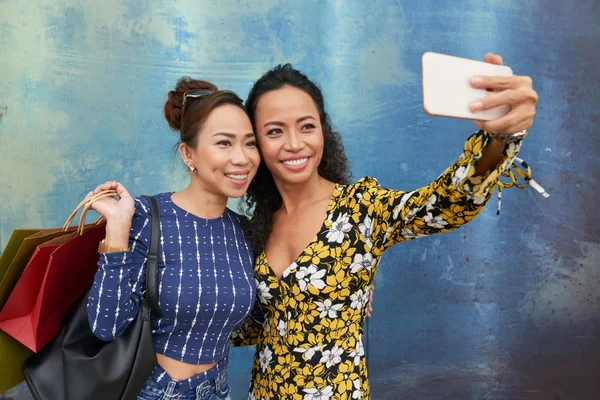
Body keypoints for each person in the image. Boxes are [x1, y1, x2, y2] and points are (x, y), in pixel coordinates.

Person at [232, 53, 538, 399]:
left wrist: (501, 137)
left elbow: (444, 204)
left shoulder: (359, 208)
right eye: (275, 131)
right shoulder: (257, 227)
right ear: (255, 143)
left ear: (323, 130)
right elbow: (252, 327)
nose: (294, 143)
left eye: (307, 126)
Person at [86, 77, 260, 400]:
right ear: (188, 154)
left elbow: (266, 314)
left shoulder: (246, 232)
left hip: (218, 391)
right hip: (155, 391)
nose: (242, 158)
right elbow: (106, 326)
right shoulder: (147, 218)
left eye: (250, 143)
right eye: (224, 143)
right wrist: (118, 229)